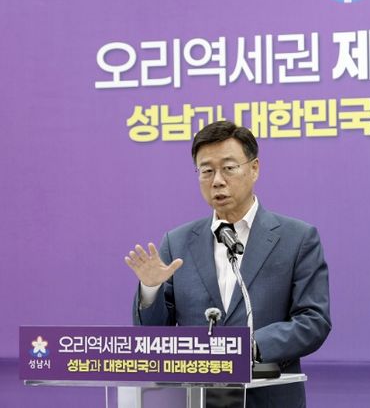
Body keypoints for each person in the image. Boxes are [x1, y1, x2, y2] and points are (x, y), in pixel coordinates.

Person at [125, 120, 331, 407]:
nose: (217, 180)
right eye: (206, 171)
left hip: (266, 397)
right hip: (195, 398)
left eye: (229, 168)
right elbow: (153, 337)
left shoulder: (297, 238)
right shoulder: (177, 242)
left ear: (254, 168)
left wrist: (250, 347)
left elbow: (313, 320)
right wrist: (150, 291)